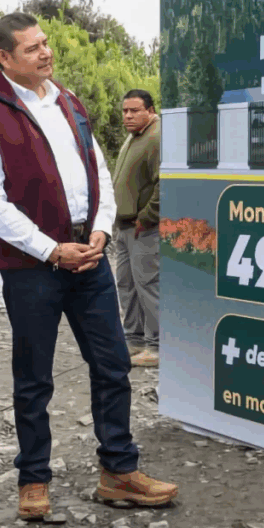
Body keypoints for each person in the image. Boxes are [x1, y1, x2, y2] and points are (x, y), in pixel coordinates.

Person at [0, 12, 178, 521]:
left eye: (46, 43)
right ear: (4, 58)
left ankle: (119, 469)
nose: (46, 52)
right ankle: (33, 479)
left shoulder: (68, 101)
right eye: (32, 48)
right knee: (34, 376)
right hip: (32, 267)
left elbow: (96, 173)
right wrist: (51, 249)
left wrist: (99, 230)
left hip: (89, 258)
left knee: (113, 363)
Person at [113, 89, 161, 368]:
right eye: (125, 111)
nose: (128, 116)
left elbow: (164, 182)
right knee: (127, 284)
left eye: (134, 111)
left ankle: (158, 346)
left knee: (149, 285)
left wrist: (147, 217)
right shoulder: (135, 136)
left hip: (144, 228)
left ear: (150, 111)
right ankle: (134, 340)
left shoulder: (156, 137)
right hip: (124, 227)